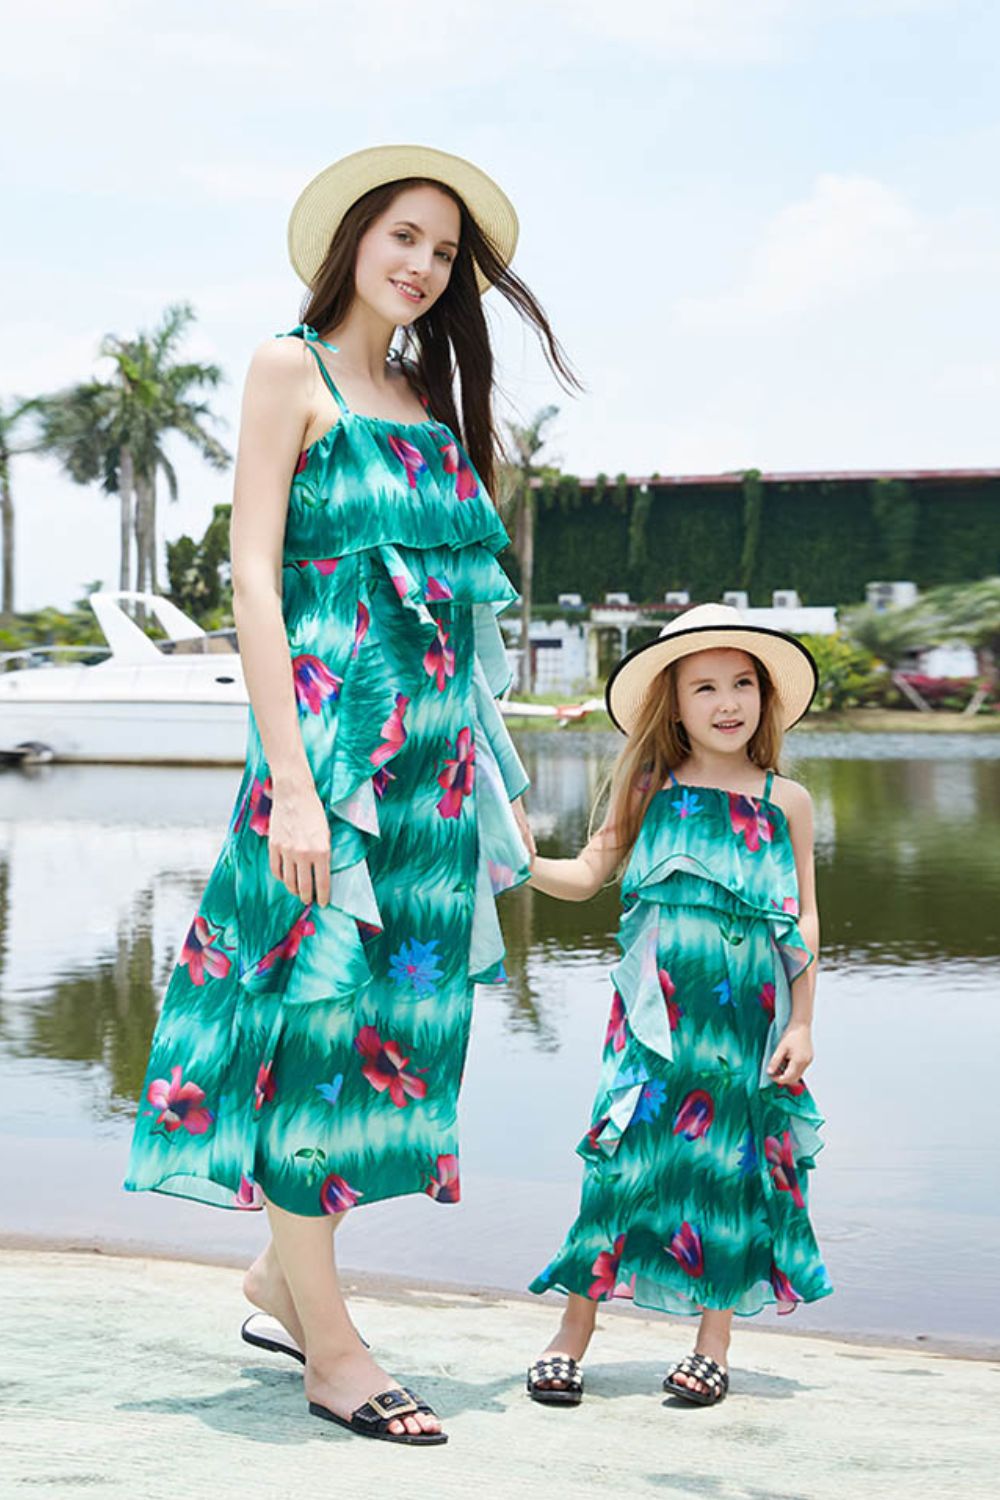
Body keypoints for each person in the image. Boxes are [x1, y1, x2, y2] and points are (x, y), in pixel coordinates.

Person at [125, 144, 574, 1445]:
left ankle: (279, 1277)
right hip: (327, 777)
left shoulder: (432, 410)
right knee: (311, 1043)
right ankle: (332, 1347)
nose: (424, 266)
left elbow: (454, 630)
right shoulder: (291, 370)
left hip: (434, 795)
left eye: (445, 252)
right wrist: (299, 793)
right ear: (354, 241)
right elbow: (255, 583)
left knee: (400, 1050)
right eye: (407, 237)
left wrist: (497, 792)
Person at [524, 603, 833, 1407]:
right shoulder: (649, 787)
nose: (727, 703)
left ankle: (714, 1341)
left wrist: (802, 1021)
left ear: (765, 697)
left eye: (742, 684)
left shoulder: (784, 801)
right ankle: (572, 1332)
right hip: (653, 1027)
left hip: (746, 1028)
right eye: (705, 687)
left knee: (728, 1170)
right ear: (675, 700)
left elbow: (801, 920)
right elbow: (588, 874)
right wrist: (521, 858)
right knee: (620, 1165)